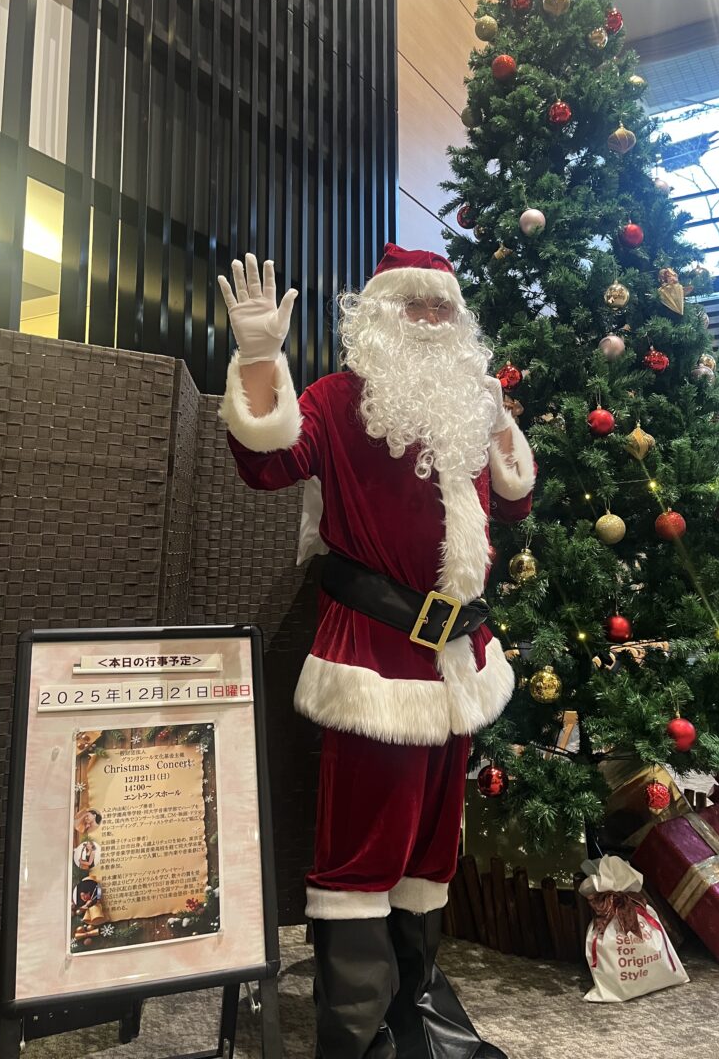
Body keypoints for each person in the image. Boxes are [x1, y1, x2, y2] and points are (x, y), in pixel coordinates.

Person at [218, 244, 535, 1059]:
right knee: (362, 852)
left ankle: (420, 1018)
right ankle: (359, 1038)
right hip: (374, 656)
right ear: (379, 315)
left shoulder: (466, 404)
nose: (429, 320)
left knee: (430, 847)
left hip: (456, 656)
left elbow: (514, 500)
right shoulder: (338, 399)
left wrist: (500, 421)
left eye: (442, 307)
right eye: (413, 305)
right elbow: (268, 462)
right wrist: (258, 360)